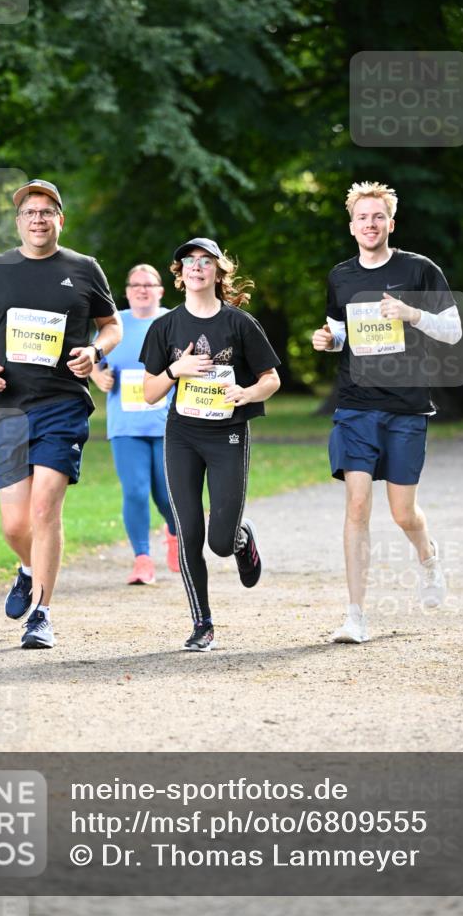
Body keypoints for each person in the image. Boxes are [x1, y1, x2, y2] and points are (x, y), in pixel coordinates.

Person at [0, 179, 122, 649]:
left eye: (46, 211)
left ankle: (42, 613)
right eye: (30, 212)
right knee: (15, 525)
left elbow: (110, 326)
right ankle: (29, 567)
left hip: (63, 404)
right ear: (19, 222)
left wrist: (95, 353)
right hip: (10, 408)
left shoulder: (83, 268)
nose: (38, 219)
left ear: (60, 219)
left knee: (44, 507)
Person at [312, 181, 463, 644]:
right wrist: (328, 340)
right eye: (363, 217)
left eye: (378, 217)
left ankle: (429, 557)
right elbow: (341, 332)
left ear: (390, 223)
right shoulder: (341, 276)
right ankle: (355, 615)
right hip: (355, 405)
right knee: (357, 504)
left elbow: (454, 331)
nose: (370, 224)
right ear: (352, 224)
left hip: (406, 407)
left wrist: (411, 314)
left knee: (402, 514)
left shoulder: (419, 270)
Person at [140, 237, 281, 651]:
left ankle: (241, 539)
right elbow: (149, 392)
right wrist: (175, 368)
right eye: (188, 261)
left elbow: (271, 379)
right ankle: (202, 623)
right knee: (188, 533)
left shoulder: (239, 323)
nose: (196, 267)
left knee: (219, 541)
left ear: (218, 272)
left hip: (228, 435)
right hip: (182, 435)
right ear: (179, 275)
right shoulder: (165, 327)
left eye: (205, 261)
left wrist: (248, 393)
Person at [90, 263, 179, 584]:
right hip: (126, 425)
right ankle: (142, 559)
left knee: (169, 495)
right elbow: (93, 361)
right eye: (135, 285)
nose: (142, 289)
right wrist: (98, 374)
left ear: (160, 290)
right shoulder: (115, 325)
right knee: (136, 491)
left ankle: (174, 534)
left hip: (169, 424)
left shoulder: (174, 321)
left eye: (149, 284)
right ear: (126, 291)